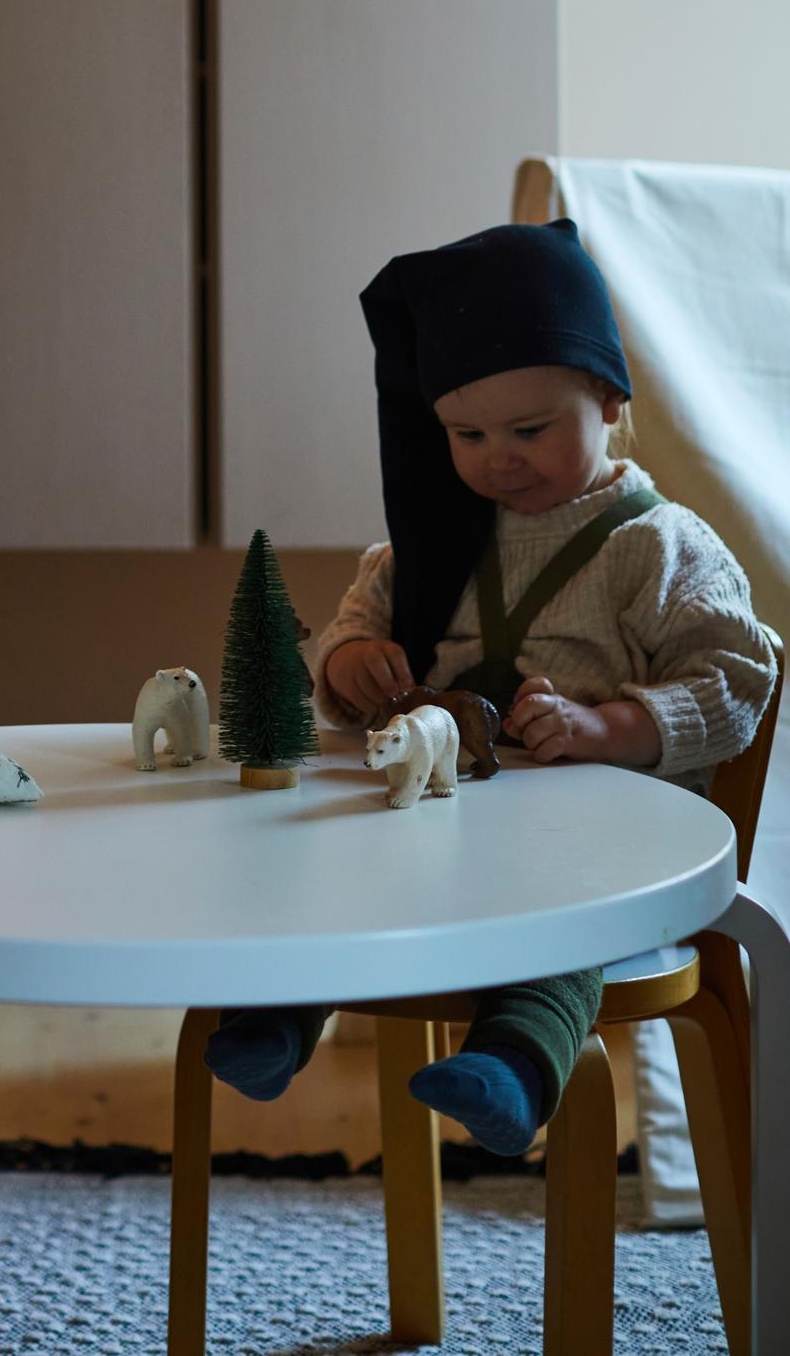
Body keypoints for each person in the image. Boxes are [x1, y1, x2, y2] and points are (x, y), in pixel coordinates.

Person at [205, 218, 777, 1156]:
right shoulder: (428, 540)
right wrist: (352, 666)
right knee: (315, 870)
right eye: (465, 433)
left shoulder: (657, 543)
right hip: (440, 831)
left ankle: (513, 1064)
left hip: (593, 841)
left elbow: (737, 676)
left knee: (568, 917)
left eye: (529, 428)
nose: (496, 457)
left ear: (606, 396)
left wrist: (612, 725)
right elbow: (354, 624)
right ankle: (272, 1019)